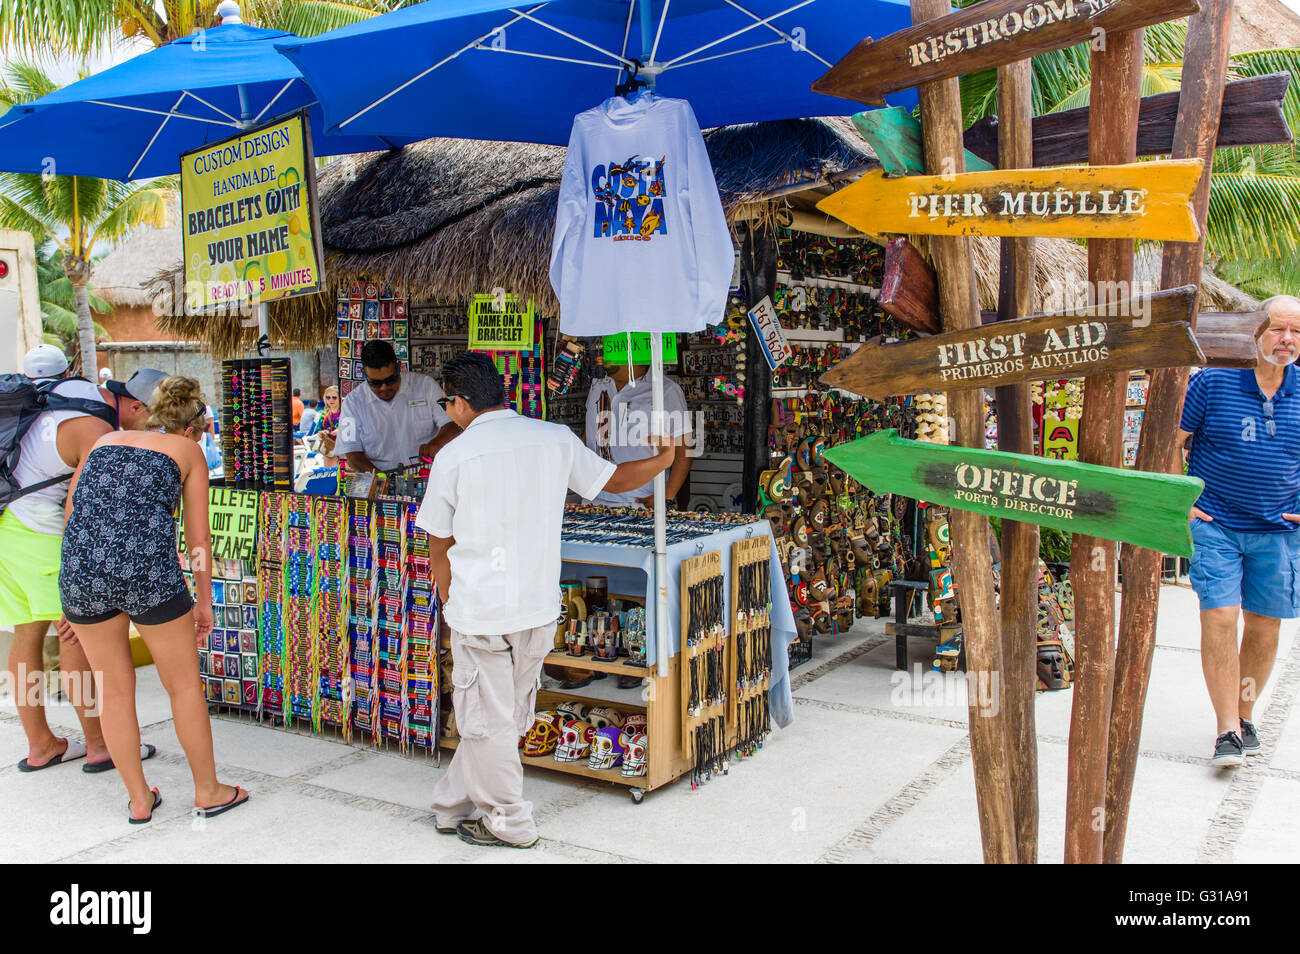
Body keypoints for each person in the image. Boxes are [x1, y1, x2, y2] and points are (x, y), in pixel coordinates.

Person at [416, 352, 675, 849]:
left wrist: (448, 598)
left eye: (447, 402)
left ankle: (509, 820)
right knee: (502, 716)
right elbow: (613, 481)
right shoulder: (553, 439)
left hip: (483, 609)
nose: (448, 411)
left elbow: (438, 541)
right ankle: (452, 805)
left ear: (462, 403)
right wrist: (664, 460)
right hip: (535, 607)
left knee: (487, 719)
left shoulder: (454, 456)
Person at [60, 376, 249, 823]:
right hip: (148, 573)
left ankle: (140, 800)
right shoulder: (187, 452)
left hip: (82, 573)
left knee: (112, 690)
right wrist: (204, 601)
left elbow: (73, 515)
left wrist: (70, 592)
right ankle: (208, 791)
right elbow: (197, 536)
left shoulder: (104, 442)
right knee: (182, 685)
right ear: (193, 428)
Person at [1179, 294, 1300, 767]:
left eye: (1296, 332)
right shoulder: (1211, 383)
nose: (1287, 340)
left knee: (1265, 626)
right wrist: (1182, 502)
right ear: (1255, 333)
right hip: (1217, 524)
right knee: (1221, 618)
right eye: (1278, 329)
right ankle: (1226, 728)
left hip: (1279, 531)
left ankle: (1245, 715)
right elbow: (1174, 442)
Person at [3, 351, 124, 773]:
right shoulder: (85, 416)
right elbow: (80, 503)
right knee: (77, 636)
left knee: (25, 637)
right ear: (70, 373)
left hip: (6, 531)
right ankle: (99, 745)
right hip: (44, 535)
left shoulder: (18, 408)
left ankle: (41, 744)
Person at [334, 341, 459, 496]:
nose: (384, 388)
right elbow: (352, 454)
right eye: (375, 383)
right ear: (363, 373)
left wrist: (435, 444)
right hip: (380, 485)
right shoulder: (353, 402)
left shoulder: (425, 386)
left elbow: (452, 425)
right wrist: (383, 479)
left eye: (390, 380)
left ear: (399, 367)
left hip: (426, 481)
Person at [585, 351, 694, 508]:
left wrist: (667, 496)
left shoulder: (666, 390)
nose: (603, 353)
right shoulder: (598, 384)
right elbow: (589, 432)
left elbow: (685, 447)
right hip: (592, 501)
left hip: (639, 503)